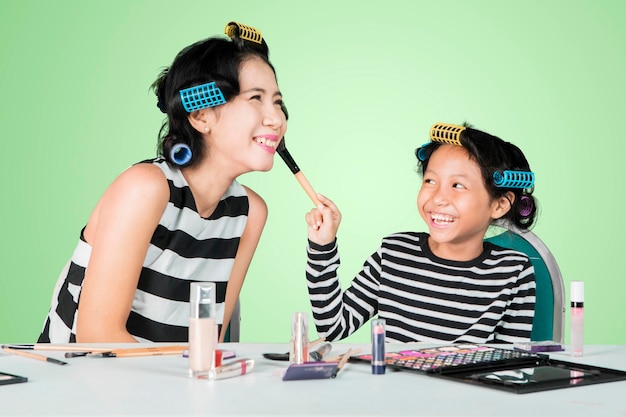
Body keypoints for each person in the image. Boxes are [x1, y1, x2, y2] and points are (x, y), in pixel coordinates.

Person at [38, 22, 287, 343]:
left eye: (278, 102)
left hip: (168, 387)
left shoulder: (251, 212)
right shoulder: (145, 189)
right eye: (256, 98)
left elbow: (209, 341)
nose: (276, 119)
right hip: (77, 385)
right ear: (201, 116)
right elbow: (98, 337)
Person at [305, 122, 537, 343]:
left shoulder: (513, 271)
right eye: (430, 181)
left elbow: (511, 365)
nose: (437, 198)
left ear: (499, 205)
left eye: (457, 185)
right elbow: (333, 327)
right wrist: (321, 247)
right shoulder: (393, 253)